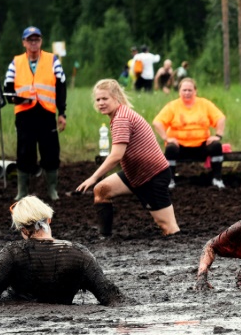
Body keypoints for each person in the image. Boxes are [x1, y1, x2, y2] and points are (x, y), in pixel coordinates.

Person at [76, 79, 181, 237]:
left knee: (168, 228)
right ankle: (105, 238)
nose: (101, 103)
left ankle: (181, 256)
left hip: (152, 175)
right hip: (136, 174)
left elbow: (116, 156)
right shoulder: (119, 114)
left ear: (116, 98)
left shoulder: (121, 118)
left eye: (105, 99)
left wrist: (93, 177)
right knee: (101, 191)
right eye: (98, 99)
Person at [2, 26, 67, 201]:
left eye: (36, 39)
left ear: (41, 41)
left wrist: (62, 113)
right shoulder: (15, 63)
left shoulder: (53, 60)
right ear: (24, 42)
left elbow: (61, 87)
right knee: (24, 152)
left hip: (46, 113)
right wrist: (15, 99)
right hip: (24, 115)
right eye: (30, 39)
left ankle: (52, 190)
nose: (33, 43)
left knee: (51, 152)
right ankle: (22, 191)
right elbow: (7, 87)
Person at [152, 77, 227, 189]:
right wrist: (166, 138)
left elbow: (220, 118)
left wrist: (218, 135)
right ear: (179, 91)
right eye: (184, 90)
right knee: (170, 148)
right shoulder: (173, 106)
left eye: (190, 90)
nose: (187, 93)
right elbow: (157, 122)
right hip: (180, 146)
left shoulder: (204, 104)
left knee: (216, 146)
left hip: (201, 145)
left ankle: (217, 179)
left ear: (195, 91)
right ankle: (170, 180)